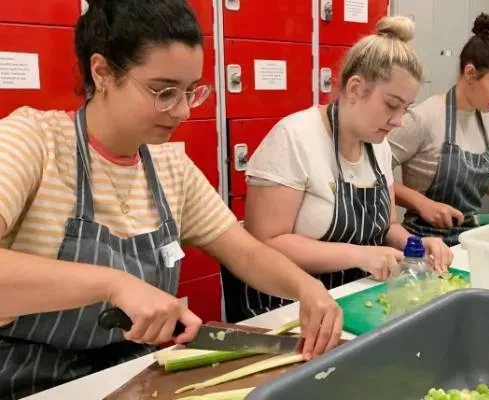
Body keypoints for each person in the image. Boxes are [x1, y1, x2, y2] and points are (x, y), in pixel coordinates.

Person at [0, 0, 342, 398]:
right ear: (103, 71)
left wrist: (306, 289)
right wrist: (113, 284)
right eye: (163, 91)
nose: (181, 111)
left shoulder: (169, 167)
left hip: (131, 376)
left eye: (190, 92)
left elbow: (244, 252)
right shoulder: (31, 141)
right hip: (29, 380)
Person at [225, 16, 454, 321]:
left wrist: (414, 245)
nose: (398, 120)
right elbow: (264, 243)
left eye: (405, 109)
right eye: (391, 104)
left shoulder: (378, 146)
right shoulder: (294, 139)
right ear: (356, 88)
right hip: (288, 310)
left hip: (355, 298)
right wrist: (360, 255)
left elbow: (386, 228)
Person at [387, 13, 489, 246]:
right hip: (420, 246)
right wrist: (422, 204)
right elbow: (373, 174)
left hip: (468, 242)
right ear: (470, 73)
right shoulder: (425, 117)